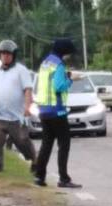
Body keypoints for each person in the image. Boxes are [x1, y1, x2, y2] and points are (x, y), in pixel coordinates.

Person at [0, 40, 37, 173]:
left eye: (8, 54)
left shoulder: (21, 70)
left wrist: (28, 107)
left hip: (16, 118)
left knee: (23, 142)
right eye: (3, 54)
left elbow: (28, 90)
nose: (5, 56)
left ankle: (35, 161)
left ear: (13, 55)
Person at [33, 38, 81, 188]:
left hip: (44, 110)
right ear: (63, 53)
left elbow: (49, 82)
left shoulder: (45, 63)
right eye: (68, 54)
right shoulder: (59, 64)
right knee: (64, 144)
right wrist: (71, 79)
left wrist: (65, 75)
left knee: (46, 144)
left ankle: (39, 176)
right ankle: (64, 178)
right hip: (57, 111)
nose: (68, 57)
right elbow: (59, 86)